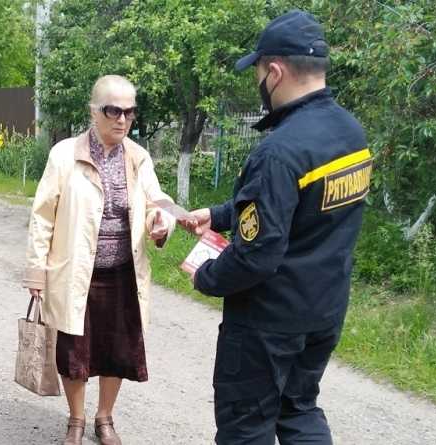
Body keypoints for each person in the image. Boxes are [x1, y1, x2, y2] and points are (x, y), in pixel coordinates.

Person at [188, 10, 371, 445]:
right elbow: (295, 208)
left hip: (267, 326)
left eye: (257, 73)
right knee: (299, 411)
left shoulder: (279, 151)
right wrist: (216, 216)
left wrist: (206, 277)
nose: (258, 85)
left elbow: (256, 255)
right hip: (322, 312)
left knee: (245, 428)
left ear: (275, 71)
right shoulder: (350, 133)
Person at [23, 75, 176, 445]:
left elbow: (159, 202)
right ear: (94, 112)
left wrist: (161, 222)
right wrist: (36, 271)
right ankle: (75, 419)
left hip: (123, 274)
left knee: (117, 350)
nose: (122, 119)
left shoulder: (139, 157)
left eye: (130, 111)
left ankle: (104, 417)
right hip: (76, 273)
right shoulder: (65, 155)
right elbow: (43, 215)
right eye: (113, 110)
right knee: (74, 352)